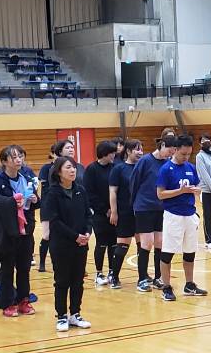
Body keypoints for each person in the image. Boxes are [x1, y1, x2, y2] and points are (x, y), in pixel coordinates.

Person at [0, 144, 38, 318]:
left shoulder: (26, 178)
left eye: (20, 156)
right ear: (4, 161)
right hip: (7, 232)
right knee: (7, 270)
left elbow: (36, 203)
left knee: (24, 268)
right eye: (14, 157)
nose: (18, 160)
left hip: (25, 231)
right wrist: (10, 202)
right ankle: (8, 303)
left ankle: (24, 300)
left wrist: (35, 199)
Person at [42, 155, 92, 331]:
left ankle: (75, 314)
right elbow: (54, 221)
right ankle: (62, 315)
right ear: (58, 172)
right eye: (68, 167)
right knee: (62, 281)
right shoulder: (52, 193)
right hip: (61, 244)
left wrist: (87, 232)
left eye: (73, 167)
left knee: (78, 281)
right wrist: (75, 236)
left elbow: (88, 215)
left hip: (81, 244)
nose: (72, 170)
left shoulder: (80, 190)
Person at [155, 133, 208, 301]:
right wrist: (180, 191)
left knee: (190, 252)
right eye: (183, 153)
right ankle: (166, 287)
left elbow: (196, 186)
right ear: (175, 150)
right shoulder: (166, 169)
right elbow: (160, 194)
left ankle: (189, 285)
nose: (186, 157)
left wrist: (197, 191)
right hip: (173, 216)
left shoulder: (190, 167)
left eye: (189, 154)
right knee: (168, 253)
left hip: (189, 214)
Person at [130, 134, 176, 292]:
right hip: (144, 207)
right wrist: (134, 204)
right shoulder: (145, 161)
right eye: (169, 150)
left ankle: (158, 277)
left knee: (160, 242)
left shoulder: (168, 163)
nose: (170, 154)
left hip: (161, 208)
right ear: (162, 145)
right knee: (146, 242)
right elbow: (134, 183)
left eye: (173, 152)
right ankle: (142, 278)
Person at [35, 138, 75, 273]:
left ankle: (70, 263)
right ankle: (42, 262)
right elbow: (45, 189)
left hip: (67, 206)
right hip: (49, 205)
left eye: (72, 147)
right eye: (67, 148)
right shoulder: (48, 168)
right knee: (47, 235)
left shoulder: (75, 167)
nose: (71, 150)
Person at [107, 138, 142, 288]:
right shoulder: (119, 169)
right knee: (122, 246)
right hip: (125, 212)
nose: (140, 152)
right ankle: (114, 276)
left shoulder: (142, 167)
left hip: (141, 212)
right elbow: (113, 192)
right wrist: (114, 212)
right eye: (137, 149)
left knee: (143, 246)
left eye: (141, 149)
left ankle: (143, 276)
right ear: (128, 151)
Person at [83, 140, 118, 288]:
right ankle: (99, 273)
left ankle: (112, 271)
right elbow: (89, 193)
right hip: (99, 213)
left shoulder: (115, 168)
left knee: (113, 243)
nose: (114, 155)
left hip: (114, 212)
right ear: (104, 153)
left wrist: (114, 209)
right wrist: (105, 209)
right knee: (102, 243)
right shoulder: (92, 169)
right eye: (111, 153)